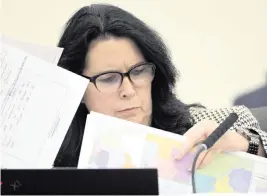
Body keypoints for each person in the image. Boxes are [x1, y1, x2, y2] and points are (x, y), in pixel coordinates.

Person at [54, 4, 267, 167]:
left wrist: (248, 145)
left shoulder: (208, 125)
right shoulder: (51, 156)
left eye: (139, 72)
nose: (128, 91)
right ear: (77, 87)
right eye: (109, 78)